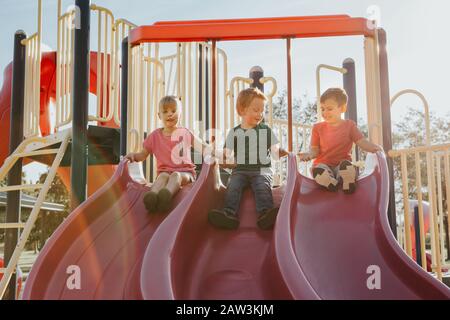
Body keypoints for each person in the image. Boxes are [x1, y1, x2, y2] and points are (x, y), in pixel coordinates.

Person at [208, 88, 289, 230]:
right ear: (242, 110)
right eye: (256, 110)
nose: (260, 114)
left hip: (261, 170)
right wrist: (216, 155)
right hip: (240, 170)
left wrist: (281, 151)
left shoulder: (265, 130)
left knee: (262, 186)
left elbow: (275, 150)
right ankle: (229, 214)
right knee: (233, 186)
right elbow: (227, 153)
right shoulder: (234, 132)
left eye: (262, 110)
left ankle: (266, 214)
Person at [125, 95, 208, 213]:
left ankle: (166, 196)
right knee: (162, 177)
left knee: (176, 175)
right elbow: (143, 155)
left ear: (180, 114)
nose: (170, 114)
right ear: (159, 115)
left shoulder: (184, 133)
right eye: (165, 111)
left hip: (186, 173)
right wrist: (133, 156)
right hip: (164, 172)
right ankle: (152, 196)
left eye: (174, 111)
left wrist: (216, 152)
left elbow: (203, 147)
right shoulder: (154, 136)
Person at [298, 88, 382, 194]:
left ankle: (346, 181)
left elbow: (362, 142)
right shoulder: (317, 128)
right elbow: (314, 150)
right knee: (318, 169)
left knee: (347, 167)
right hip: (324, 164)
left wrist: (375, 148)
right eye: (322, 109)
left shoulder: (349, 126)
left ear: (342, 108)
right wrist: (308, 155)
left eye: (329, 109)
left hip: (341, 165)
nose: (325, 112)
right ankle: (329, 182)